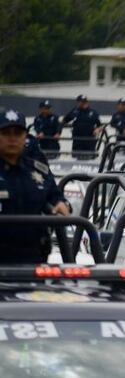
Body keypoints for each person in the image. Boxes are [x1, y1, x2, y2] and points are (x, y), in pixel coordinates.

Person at [0, 109, 71, 264]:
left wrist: (61, 204)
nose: (12, 138)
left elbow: (56, 197)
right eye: (6, 133)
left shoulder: (39, 171)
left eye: (17, 133)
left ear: (25, 136)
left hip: (33, 258)